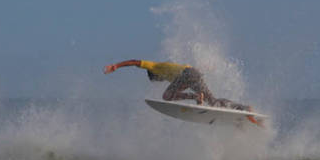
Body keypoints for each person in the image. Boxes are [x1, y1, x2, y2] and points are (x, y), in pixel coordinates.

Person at [102, 59, 251, 111]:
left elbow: (135, 62)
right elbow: (190, 71)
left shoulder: (153, 66)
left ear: (154, 75)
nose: (159, 81)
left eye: (157, 80)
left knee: (167, 96)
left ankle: (196, 96)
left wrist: (116, 66)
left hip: (187, 75)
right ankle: (242, 107)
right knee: (213, 101)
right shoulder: (169, 72)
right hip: (193, 74)